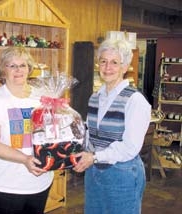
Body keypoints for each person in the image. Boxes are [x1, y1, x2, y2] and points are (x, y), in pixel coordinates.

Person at [73, 38, 151, 214]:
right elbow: (90, 135)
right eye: (103, 61)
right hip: (94, 173)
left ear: (125, 67)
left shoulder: (135, 100)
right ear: (98, 65)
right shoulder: (95, 97)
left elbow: (130, 147)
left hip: (122, 174)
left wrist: (94, 157)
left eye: (114, 62)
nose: (108, 67)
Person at [0, 47, 53, 214]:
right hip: (6, 186)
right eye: (12, 66)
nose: (18, 70)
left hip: (40, 183)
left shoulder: (42, 97)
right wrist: (25, 159)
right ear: (3, 71)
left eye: (23, 65)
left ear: (29, 69)